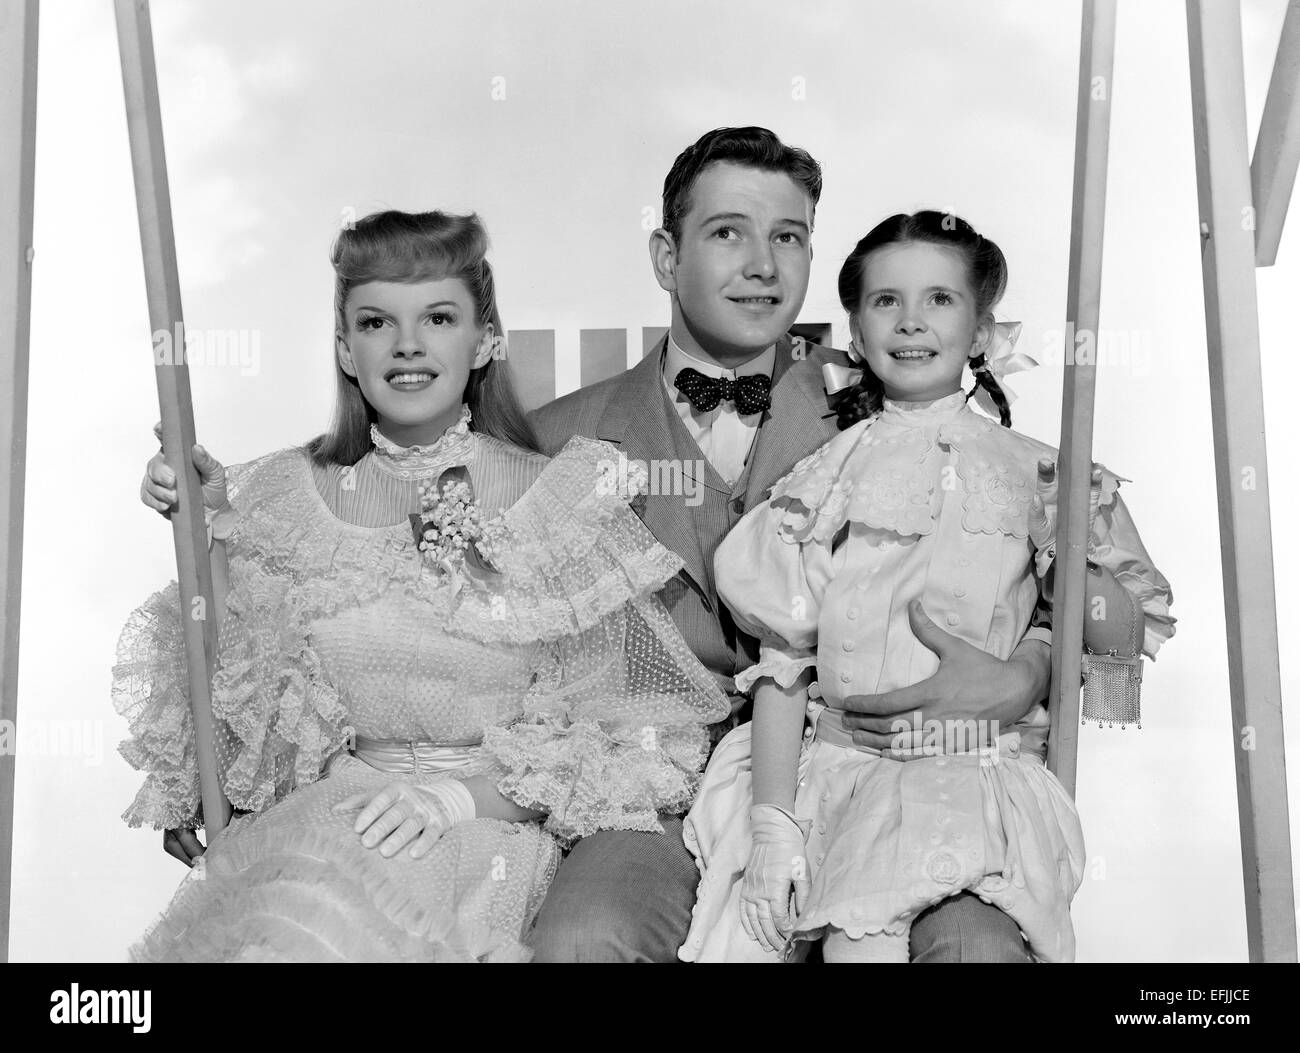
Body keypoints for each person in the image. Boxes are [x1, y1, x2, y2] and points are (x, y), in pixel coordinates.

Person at [122, 209, 728, 962]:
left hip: (486, 842)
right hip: (336, 828)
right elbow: (239, 708)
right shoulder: (283, 496)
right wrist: (209, 535)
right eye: (376, 322)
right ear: (346, 347)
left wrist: (460, 798)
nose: (406, 344)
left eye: (438, 317)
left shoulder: (563, 497)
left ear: (484, 338)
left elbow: (630, 739)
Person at [526, 129, 1059, 962]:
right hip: (650, 792)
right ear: (667, 256)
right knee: (585, 934)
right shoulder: (558, 439)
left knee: (975, 949)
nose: (763, 266)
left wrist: (1020, 673)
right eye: (727, 232)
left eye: (789, 237)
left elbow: (1051, 583)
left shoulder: (890, 402)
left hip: (881, 773)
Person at [678, 211, 1175, 962]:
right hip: (850, 776)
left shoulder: (1040, 474)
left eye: (940, 300)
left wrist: (1058, 593)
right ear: (856, 323)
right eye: (886, 301)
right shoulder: (826, 478)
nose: (911, 322)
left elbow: (1105, 638)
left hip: (978, 776)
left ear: (981, 331)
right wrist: (775, 824)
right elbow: (784, 659)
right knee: (855, 950)